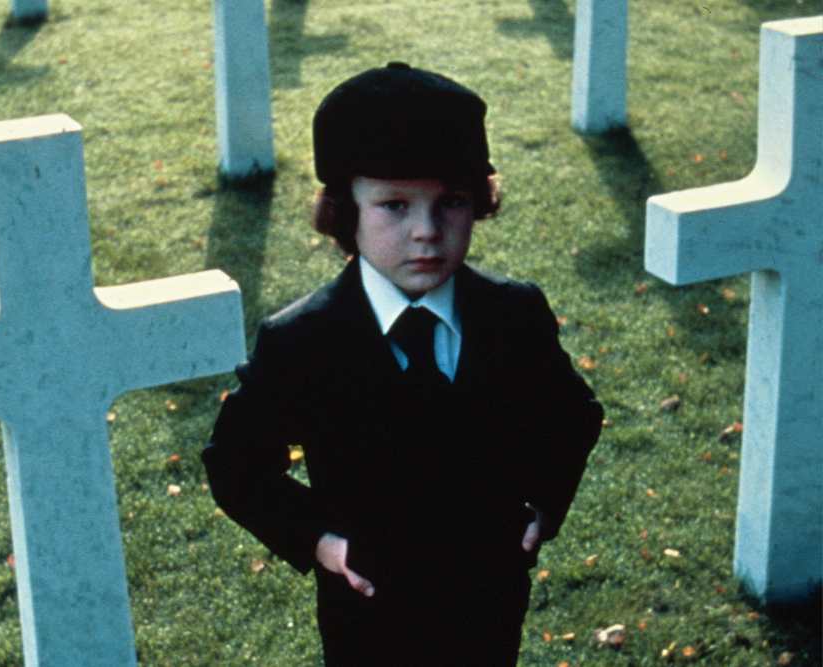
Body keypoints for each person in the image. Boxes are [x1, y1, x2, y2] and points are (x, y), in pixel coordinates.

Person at [202, 62, 604, 666]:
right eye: (394, 205)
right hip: (368, 608)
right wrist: (320, 540)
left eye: (452, 202)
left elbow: (572, 414)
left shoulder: (511, 314)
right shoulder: (303, 340)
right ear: (346, 212)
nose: (426, 231)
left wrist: (543, 506)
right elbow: (235, 464)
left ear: (480, 204)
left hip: (487, 596)